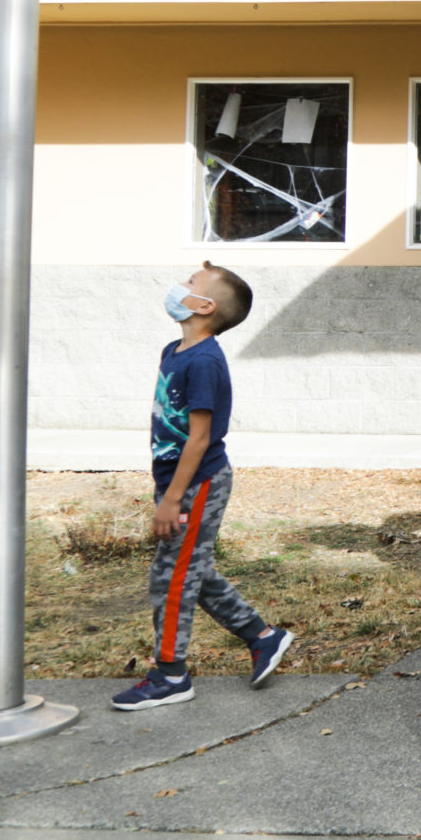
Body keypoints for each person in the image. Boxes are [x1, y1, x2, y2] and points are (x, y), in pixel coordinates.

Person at [112, 263, 298, 710]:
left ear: (205, 305)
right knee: (191, 568)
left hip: (197, 484)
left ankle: (171, 673)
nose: (180, 286)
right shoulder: (174, 351)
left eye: (191, 283)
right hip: (176, 480)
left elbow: (199, 437)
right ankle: (263, 637)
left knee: (171, 577)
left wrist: (174, 497)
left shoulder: (204, 362)